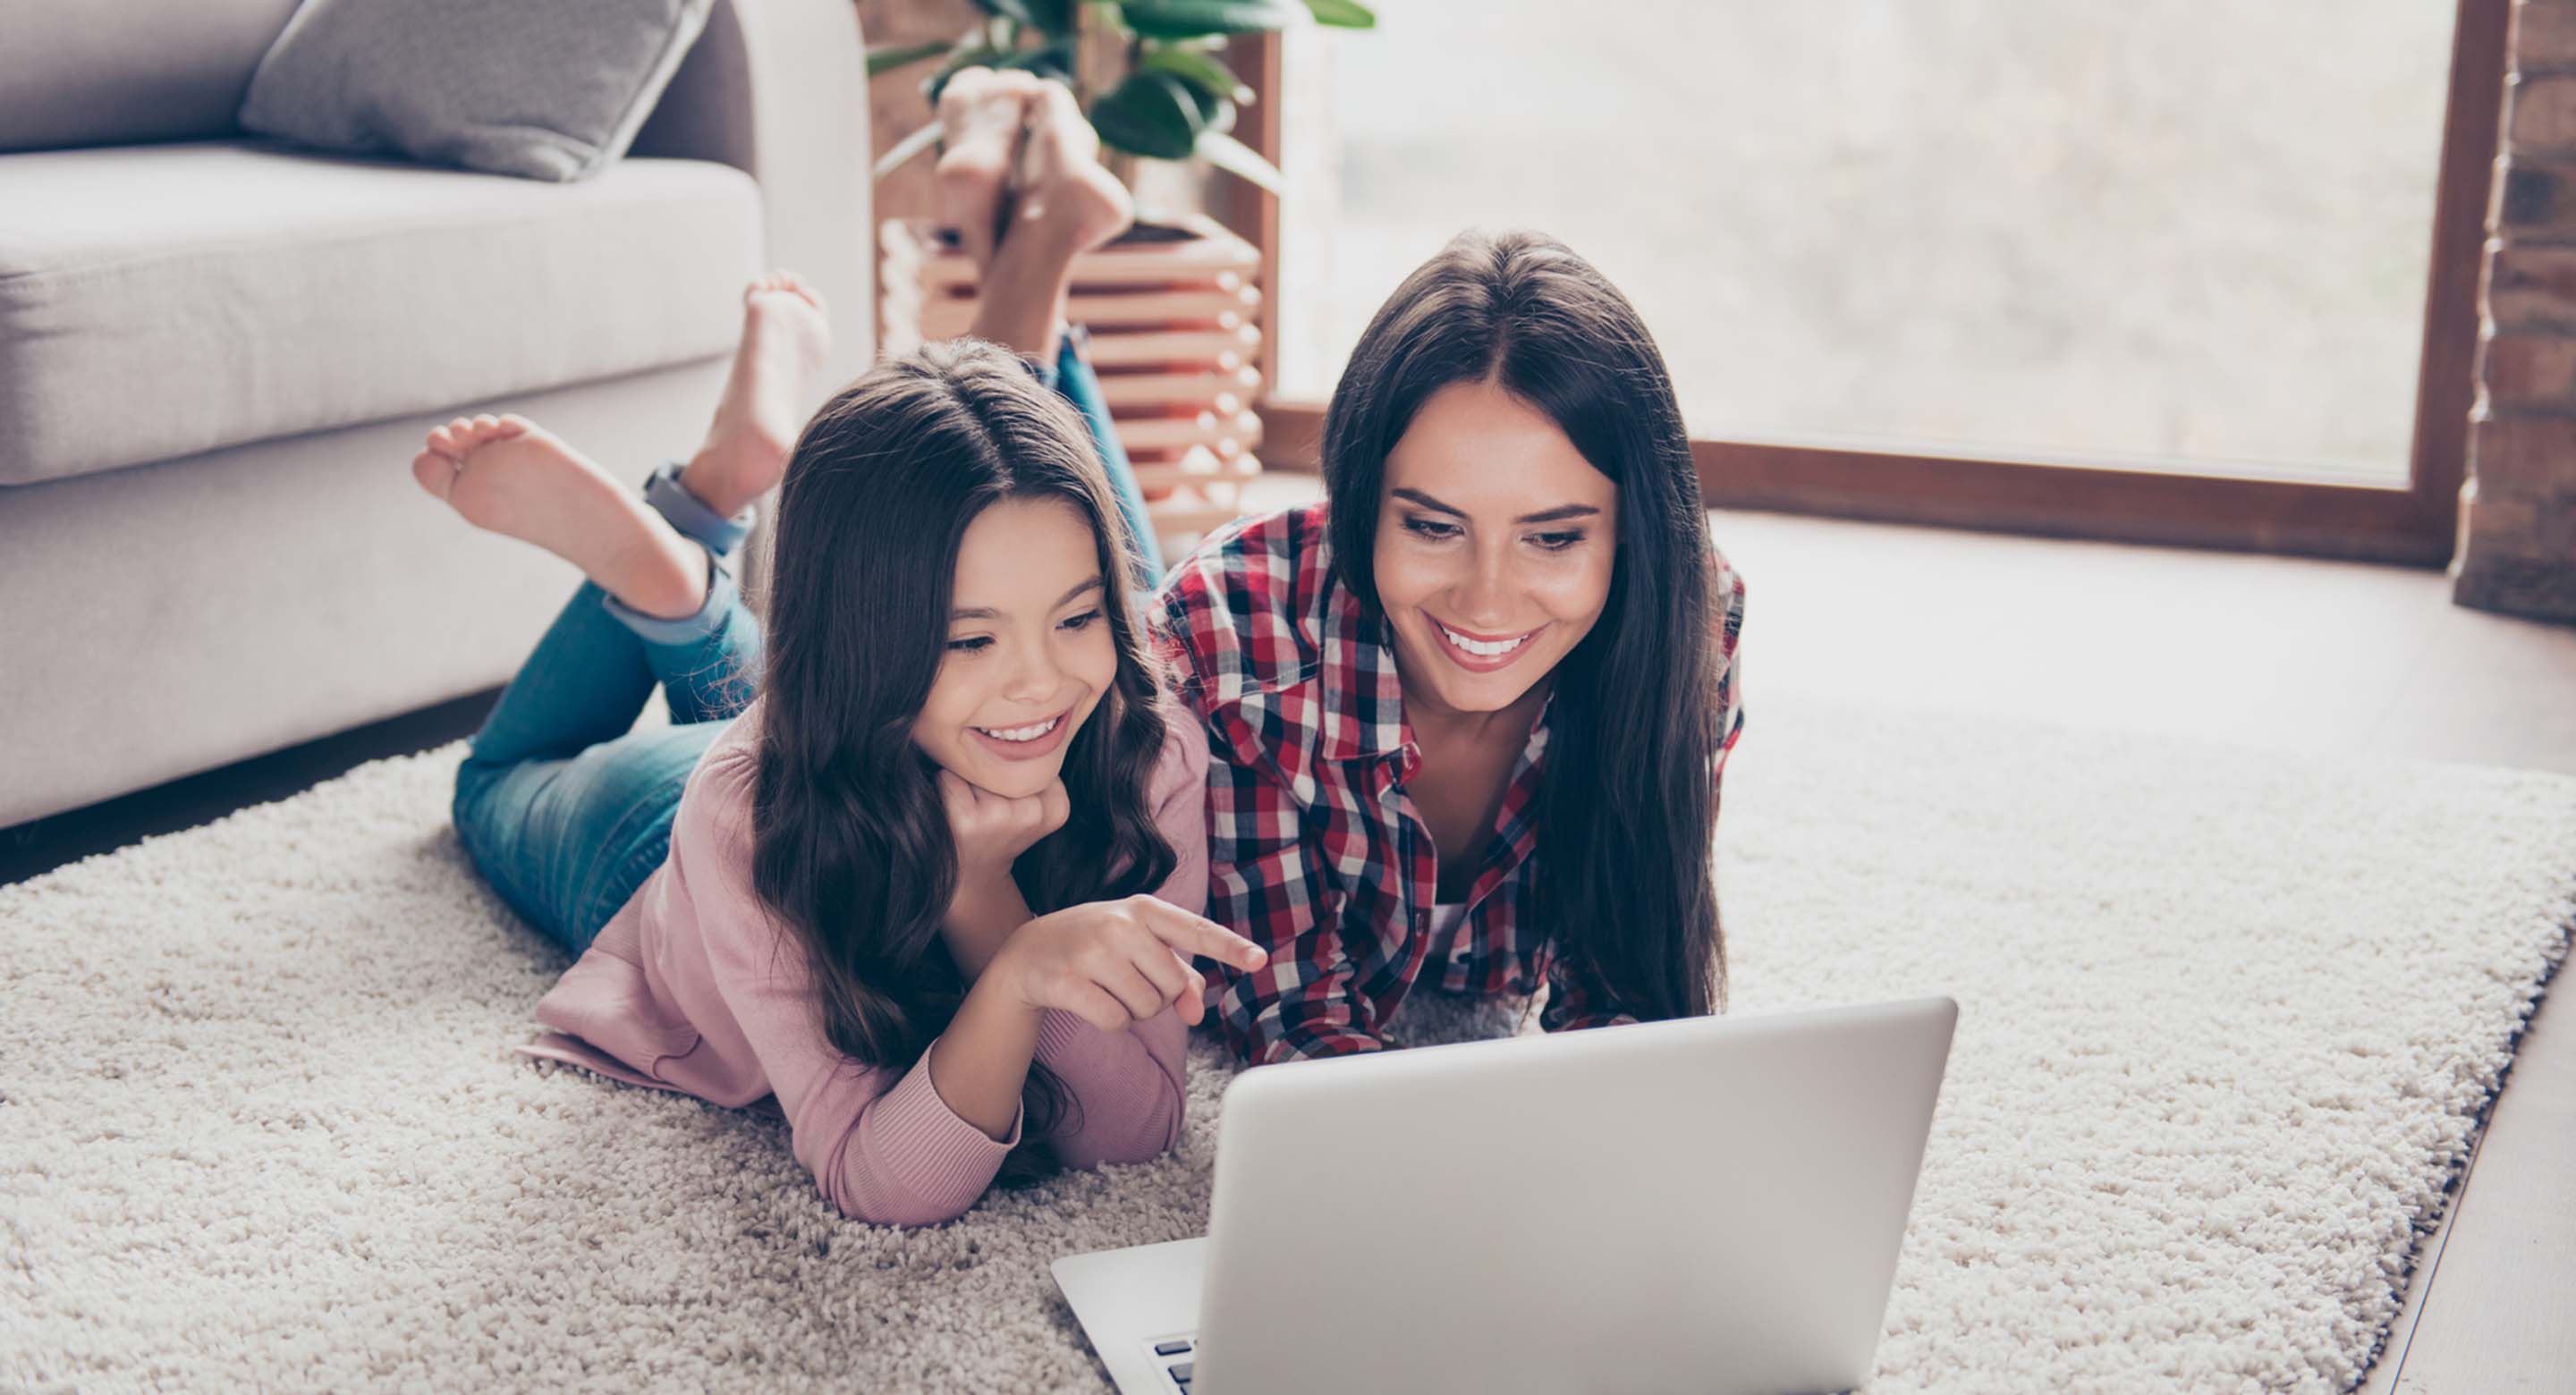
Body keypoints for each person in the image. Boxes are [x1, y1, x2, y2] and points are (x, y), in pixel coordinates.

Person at [409, 72, 1264, 1226]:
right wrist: (1010, 960)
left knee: (983, 505)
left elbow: (1136, 1129)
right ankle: (687, 543)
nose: (1044, 678)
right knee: (491, 785)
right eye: (969, 638)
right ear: (869, 650)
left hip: (843, 711)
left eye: (1080, 616)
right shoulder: (738, 815)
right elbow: (871, 1177)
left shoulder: (1149, 745)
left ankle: (694, 561)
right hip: (670, 853)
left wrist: (987, 905)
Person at [1157, 228, 1747, 1066]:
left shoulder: (1688, 623)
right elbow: (1290, 1014)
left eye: (1553, 540)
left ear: (1632, 536)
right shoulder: (1232, 631)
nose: (1487, 599)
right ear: (1360, 502)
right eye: (1434, 527)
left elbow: (1633, 995)